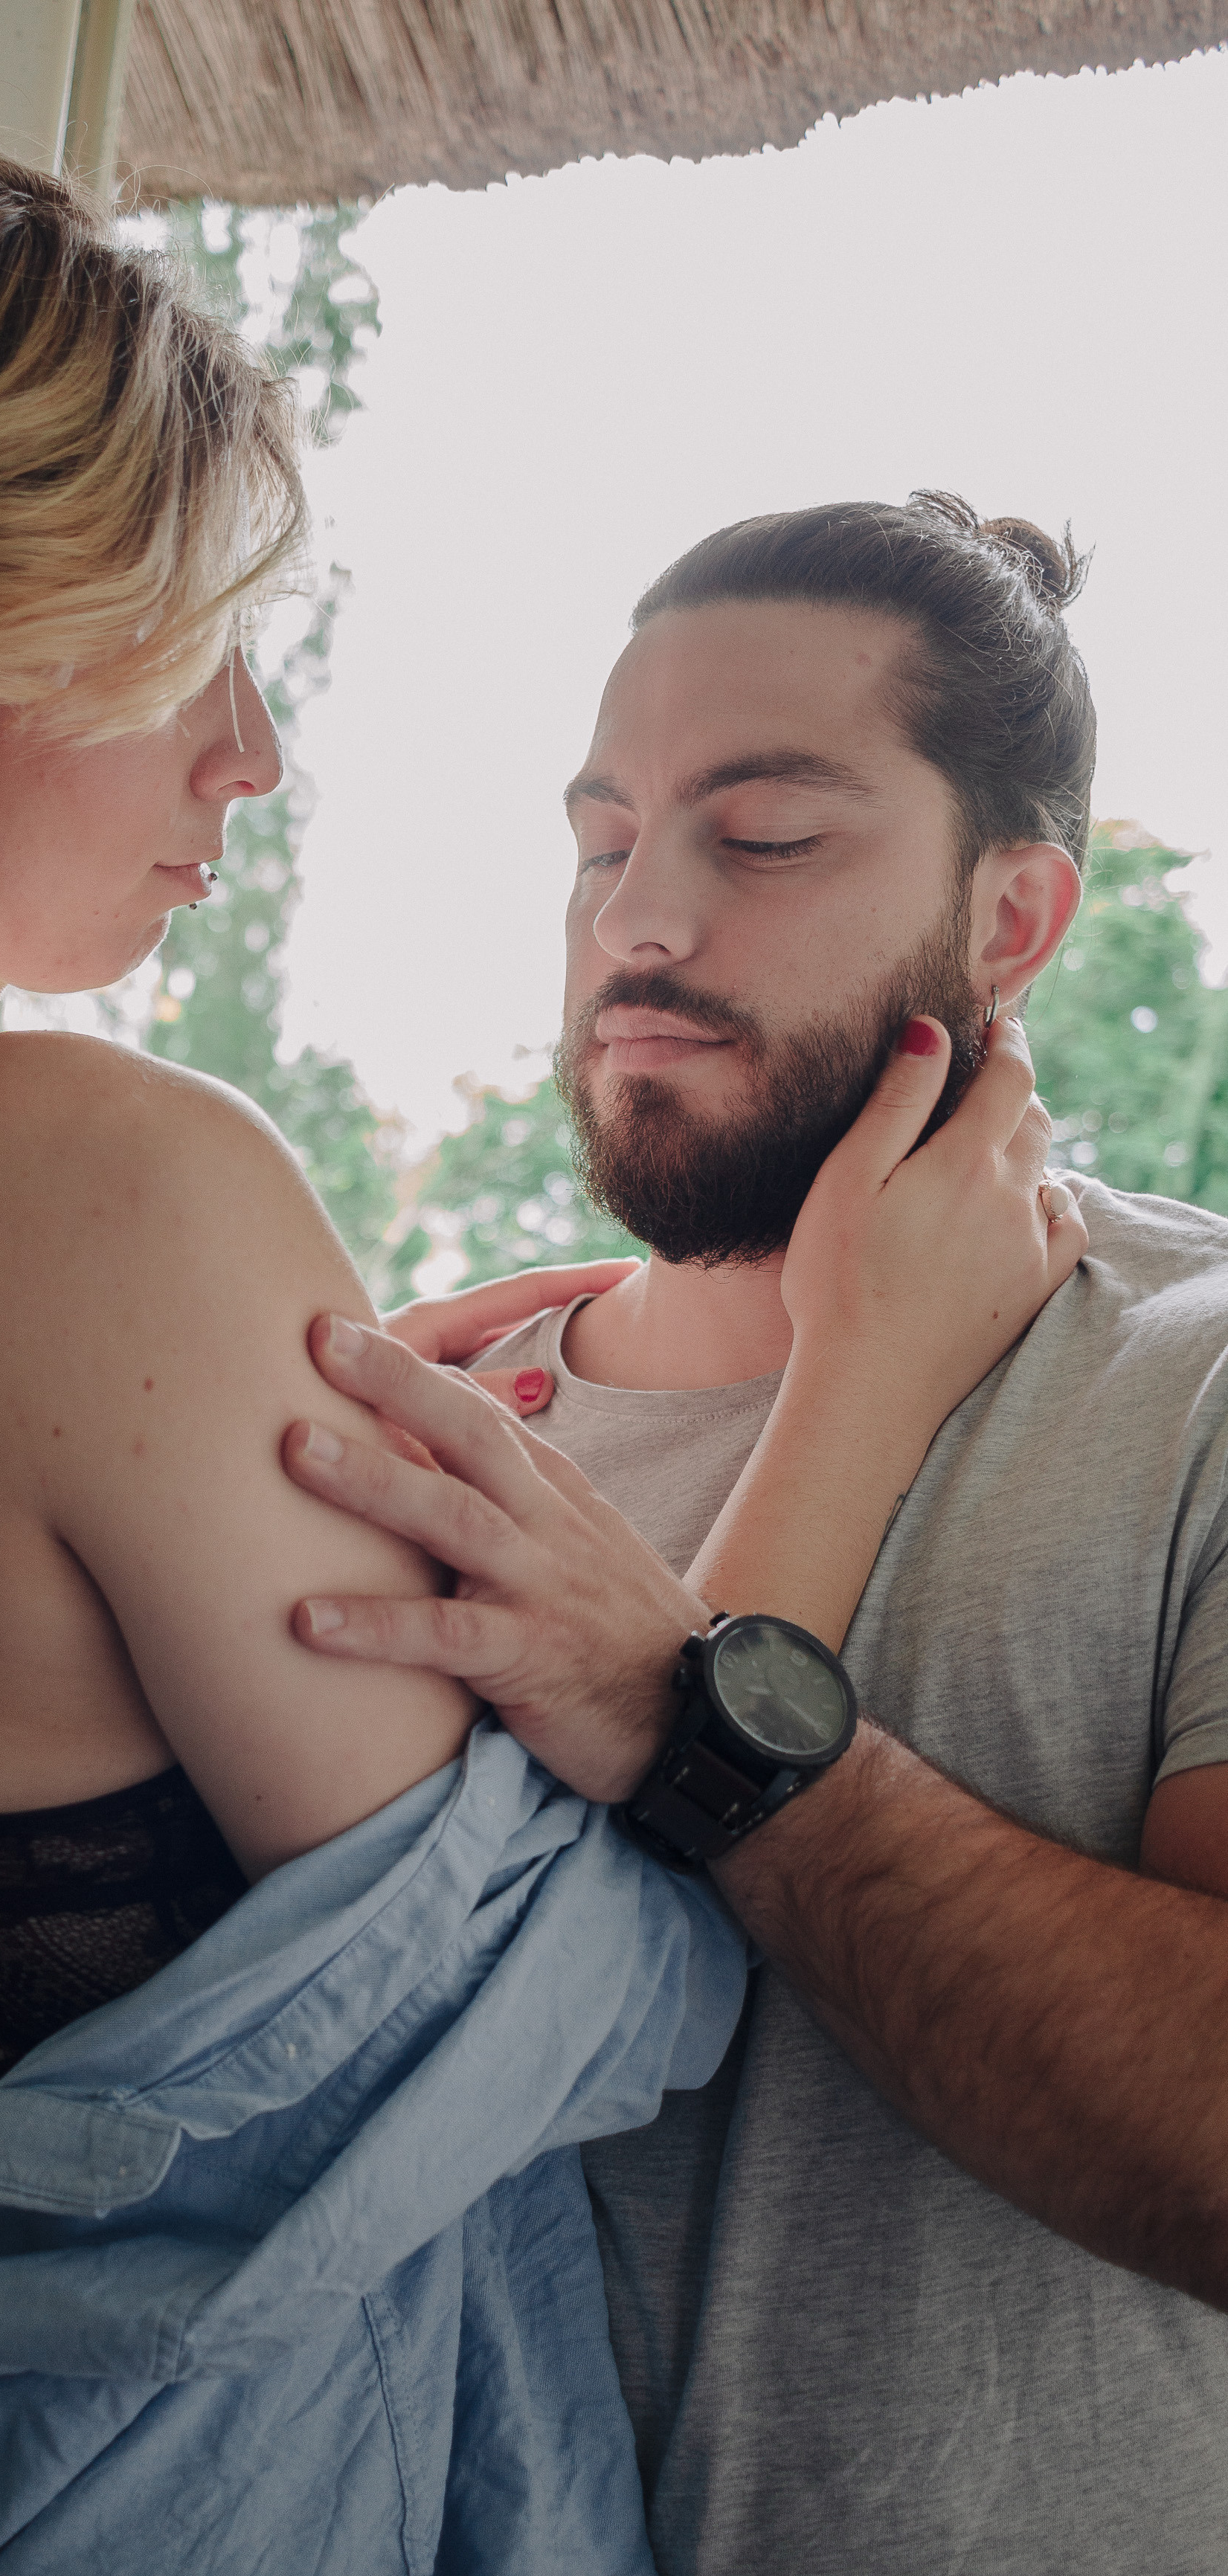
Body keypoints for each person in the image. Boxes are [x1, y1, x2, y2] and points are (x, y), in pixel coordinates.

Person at [0, 152, 1076, 2571]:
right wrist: (865, 1379)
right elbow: (547, 2000)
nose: (248, 751)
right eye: (199, 646)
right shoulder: (93, 1168)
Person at [277, 497, 1228, 2575]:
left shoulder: (1209, 1386)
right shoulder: (428, 1430)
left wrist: (699, 1718)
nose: (638, 922)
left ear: (1013, 919)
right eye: (601, 841)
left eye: (766, 838)